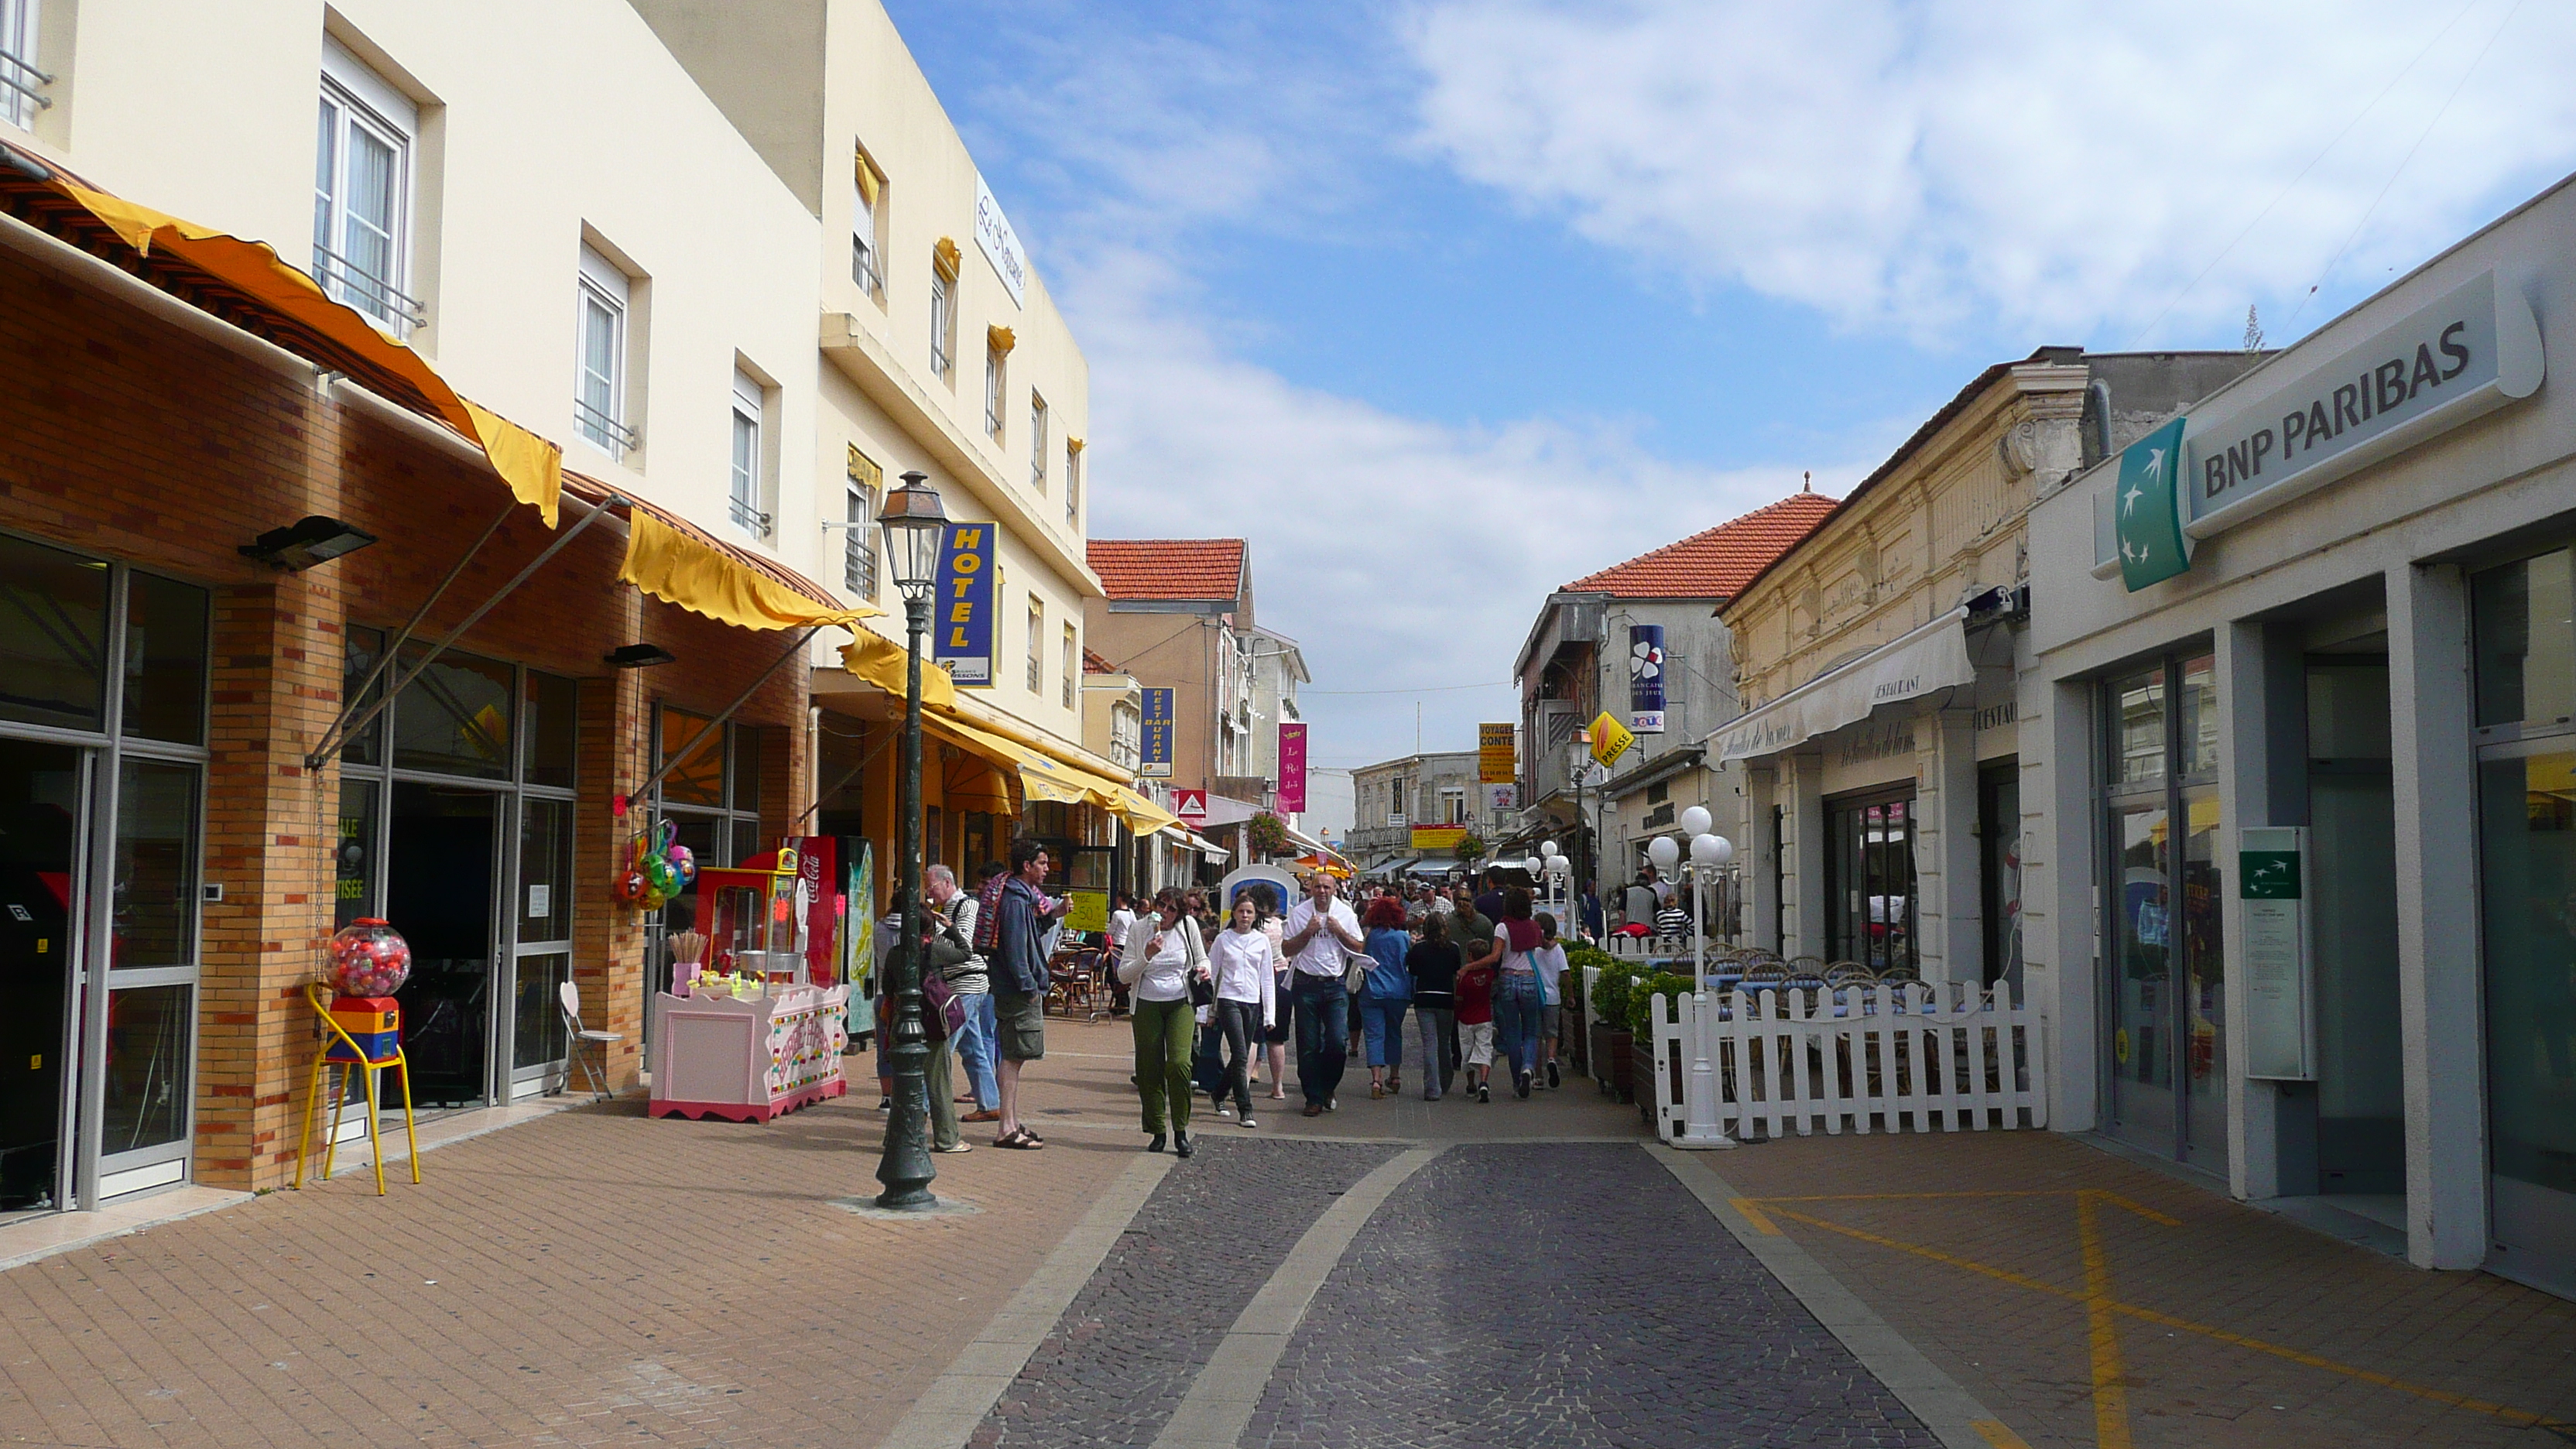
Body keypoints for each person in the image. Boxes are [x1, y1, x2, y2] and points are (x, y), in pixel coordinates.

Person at [876, 889, 968, 1154]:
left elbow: (888, 988)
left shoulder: (895, 954)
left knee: (903, 1084)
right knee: (939, 1083)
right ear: (930, 929)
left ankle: (896, 1137)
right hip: (930, 1023)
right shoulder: (935, 951)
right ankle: (947, 1138)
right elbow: (965, 953)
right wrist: (951, 929)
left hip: (901, 1026)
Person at [1118, 889, 1208, 1156]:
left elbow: (1202, 958)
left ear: (1180, 913)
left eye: (1172, 909)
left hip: (1181, 1001)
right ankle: (1157, 1130)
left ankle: (1180, 1130)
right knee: (1149, 1068)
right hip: (1146, 1003)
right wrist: (1146, 955)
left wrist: (1205, 969)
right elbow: (1124, 975)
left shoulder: (1188, 926)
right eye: (1161, 906)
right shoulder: (1139, 928)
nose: (1165, 914)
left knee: (1180, 1064)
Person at [988, 838, 1064, 1149]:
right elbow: (1017, 949)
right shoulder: (1017, 901)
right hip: (1018, 991)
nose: (1047, 869)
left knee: (1014, 1054)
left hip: (1012, 988)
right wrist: (1030, 988)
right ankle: (1006, 1126)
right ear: (1027, 866)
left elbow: (1029, 936)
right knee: (1015, 1055)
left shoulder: (1020, 898)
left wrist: (1053, 915)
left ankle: (1011, 1121)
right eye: (1042, 864)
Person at [1282, 872, 1363, 1117]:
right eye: (1317, 887)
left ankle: (1329, 1087)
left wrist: (1338, 931)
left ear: (1335, 889)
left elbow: (1359, 947)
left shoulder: (1345, 914)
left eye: (1327, 887)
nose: (1322, 892)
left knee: (1338, 1043)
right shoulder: (1300, 913)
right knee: (1308, 1045)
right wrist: (1308, 932)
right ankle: (1313, 1097)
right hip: (1305, 984)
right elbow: (1286, 949)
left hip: (1335, 985)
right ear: (1311, 889)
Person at [927, 864, 1001, 1123]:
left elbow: (964, 945)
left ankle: (923, 1106)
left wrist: (934, 945)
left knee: (941, 1045)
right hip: (957, 983)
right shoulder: (943, 910)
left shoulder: (966, 906)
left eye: (932, 887)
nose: (929, 892)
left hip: (968, 983)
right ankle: (990, 1103)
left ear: (947, 883)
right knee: (973, 1048)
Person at [1208, 895, 1277, 1127]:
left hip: (1252, 1001)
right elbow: (1212, 973)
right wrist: (1205, 1011)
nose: (1245, 916)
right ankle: (1245, 1109)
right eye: (1241, 912)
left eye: (1249, 912)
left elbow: (1267, 978)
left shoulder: (1261, 941)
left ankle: (1218, 1094)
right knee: (1240, 1055)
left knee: (1241, 1055)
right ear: (1234, 914)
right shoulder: (1223, 939)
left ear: (1255, 915)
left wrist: (1270, 1015)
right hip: (1229, 999)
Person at [1492, 888, 1545, 1098]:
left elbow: (1496, 956)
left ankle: (1517, 1082)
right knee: (1531, 1031)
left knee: (1513, 1032)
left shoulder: (1502, 927)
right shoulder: (1534, 927)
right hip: (1529, 979)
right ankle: (1528, 1067)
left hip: (1507, 979)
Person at [1357, 896, 1412, 1098]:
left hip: (1372, 990)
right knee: (1394, 1033)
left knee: (1374, 1036)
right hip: (1398, 991)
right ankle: (1395, 1076)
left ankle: (1377, 1080)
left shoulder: (1370, 936)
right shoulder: (1402, 937)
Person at [1406, 913, 1461, 1101]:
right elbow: (1456, 970)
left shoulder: (1419, 949)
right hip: (1446, 998)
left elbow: (1412, 970)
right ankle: (1445, 1079)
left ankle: (1432, 1088)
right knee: (1444, 1042)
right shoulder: (1453, 948)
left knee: (1429, 1043)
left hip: (1424, 998)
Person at [1455, 925, 1498, 1103]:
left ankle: (1471, 1084)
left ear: (1471, 956)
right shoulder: (1489, 974)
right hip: (1484, 1017)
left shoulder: (1464, 978)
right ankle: (1484, 1082)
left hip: (1466, 1019)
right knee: (1484, 1050)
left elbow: (1459, 999)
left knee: (1467, 1052)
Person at [1533, 911, 1569, 1089]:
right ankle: (1552, 1058)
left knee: (1536, 1036)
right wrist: (1570, 995)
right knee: (1552, 1034)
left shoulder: (1534, 949)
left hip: (1535, 996)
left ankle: (1538, 1077)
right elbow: (1565, 973)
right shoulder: (1559, 950)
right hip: (1553, 998)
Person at [1261, 901, 1292, 1099]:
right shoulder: (1283, 925)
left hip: (1255, 980)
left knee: (1252, 1039)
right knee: (1277, 1038)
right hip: (1282, 977)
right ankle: (1278, 1086)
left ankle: (1242, 1085)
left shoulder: (1254, 926)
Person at [1105, 890, 1139, 1017]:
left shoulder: (1117, 914)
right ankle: (1122, 1000)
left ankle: (1122, 1000)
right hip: (1127, 946)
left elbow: (1111, 931)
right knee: (1122, 973)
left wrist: (1106, 930)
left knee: (1111, 974)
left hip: (1117, 945)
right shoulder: (1131, 913)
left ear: (1119, 899)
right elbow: (1134, 927)